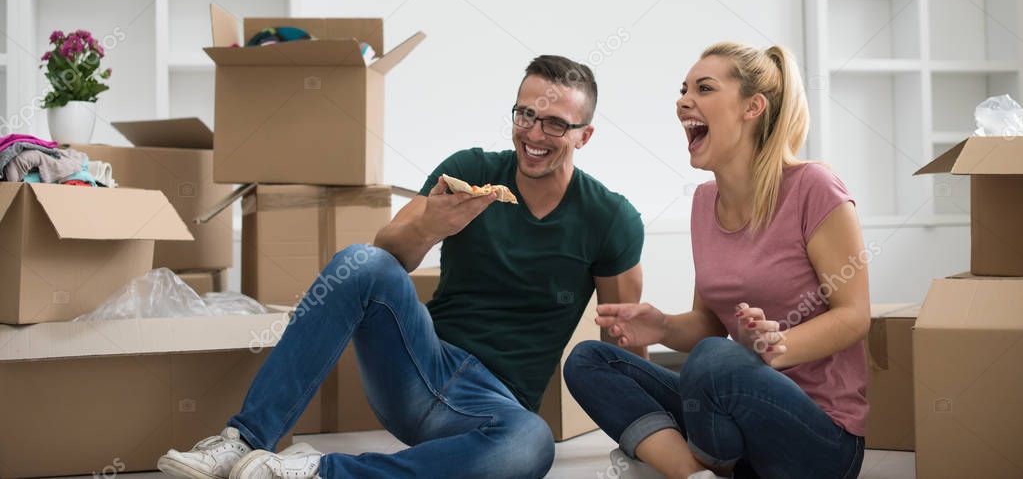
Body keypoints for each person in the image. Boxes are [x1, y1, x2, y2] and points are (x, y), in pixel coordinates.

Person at [158, 55, 646, 479]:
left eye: (555, 123)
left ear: (585, 135)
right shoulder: (471, 170)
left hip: (492, 407)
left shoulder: (610, 218)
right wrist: (432, 224)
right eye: (525, 114)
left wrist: (645, 438)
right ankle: (244, 440)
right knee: (360, 262)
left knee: (531, 444)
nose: (535, 134)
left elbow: (622, 346)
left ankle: (315, 471)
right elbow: (385, 255)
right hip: (417, 366)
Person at [563, 42, 869, 479]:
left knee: (712, 360)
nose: (683, 101)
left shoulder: (814, 187)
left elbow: (855, 316)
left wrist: (776, 347)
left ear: (753, 107)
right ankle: (693, 470)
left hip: (819, 437)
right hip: (736, 423)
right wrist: (664, 326)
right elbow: (709, 321)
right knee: (589, 360)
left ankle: (694, 461)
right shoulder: (705, 201)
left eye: (704, 89)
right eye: (683, 89)